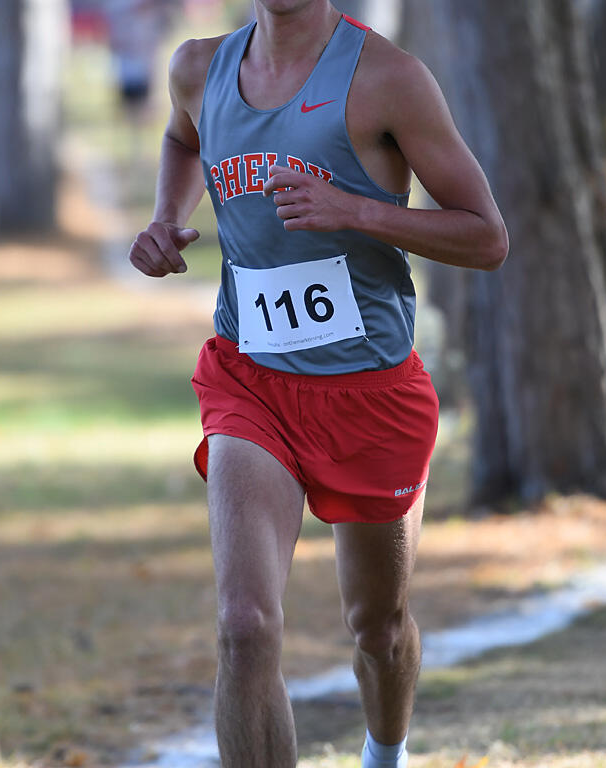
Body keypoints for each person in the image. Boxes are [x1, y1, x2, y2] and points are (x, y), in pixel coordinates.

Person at [129, 2, 507, 765]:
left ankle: (386, 753)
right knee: (244, 627)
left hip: (370, 391)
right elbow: (182, 135)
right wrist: (167, 215)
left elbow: (486, 235)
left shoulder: (390, 80)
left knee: (379, 629)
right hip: (251, 379)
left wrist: (355, 211)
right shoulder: (199, 68)